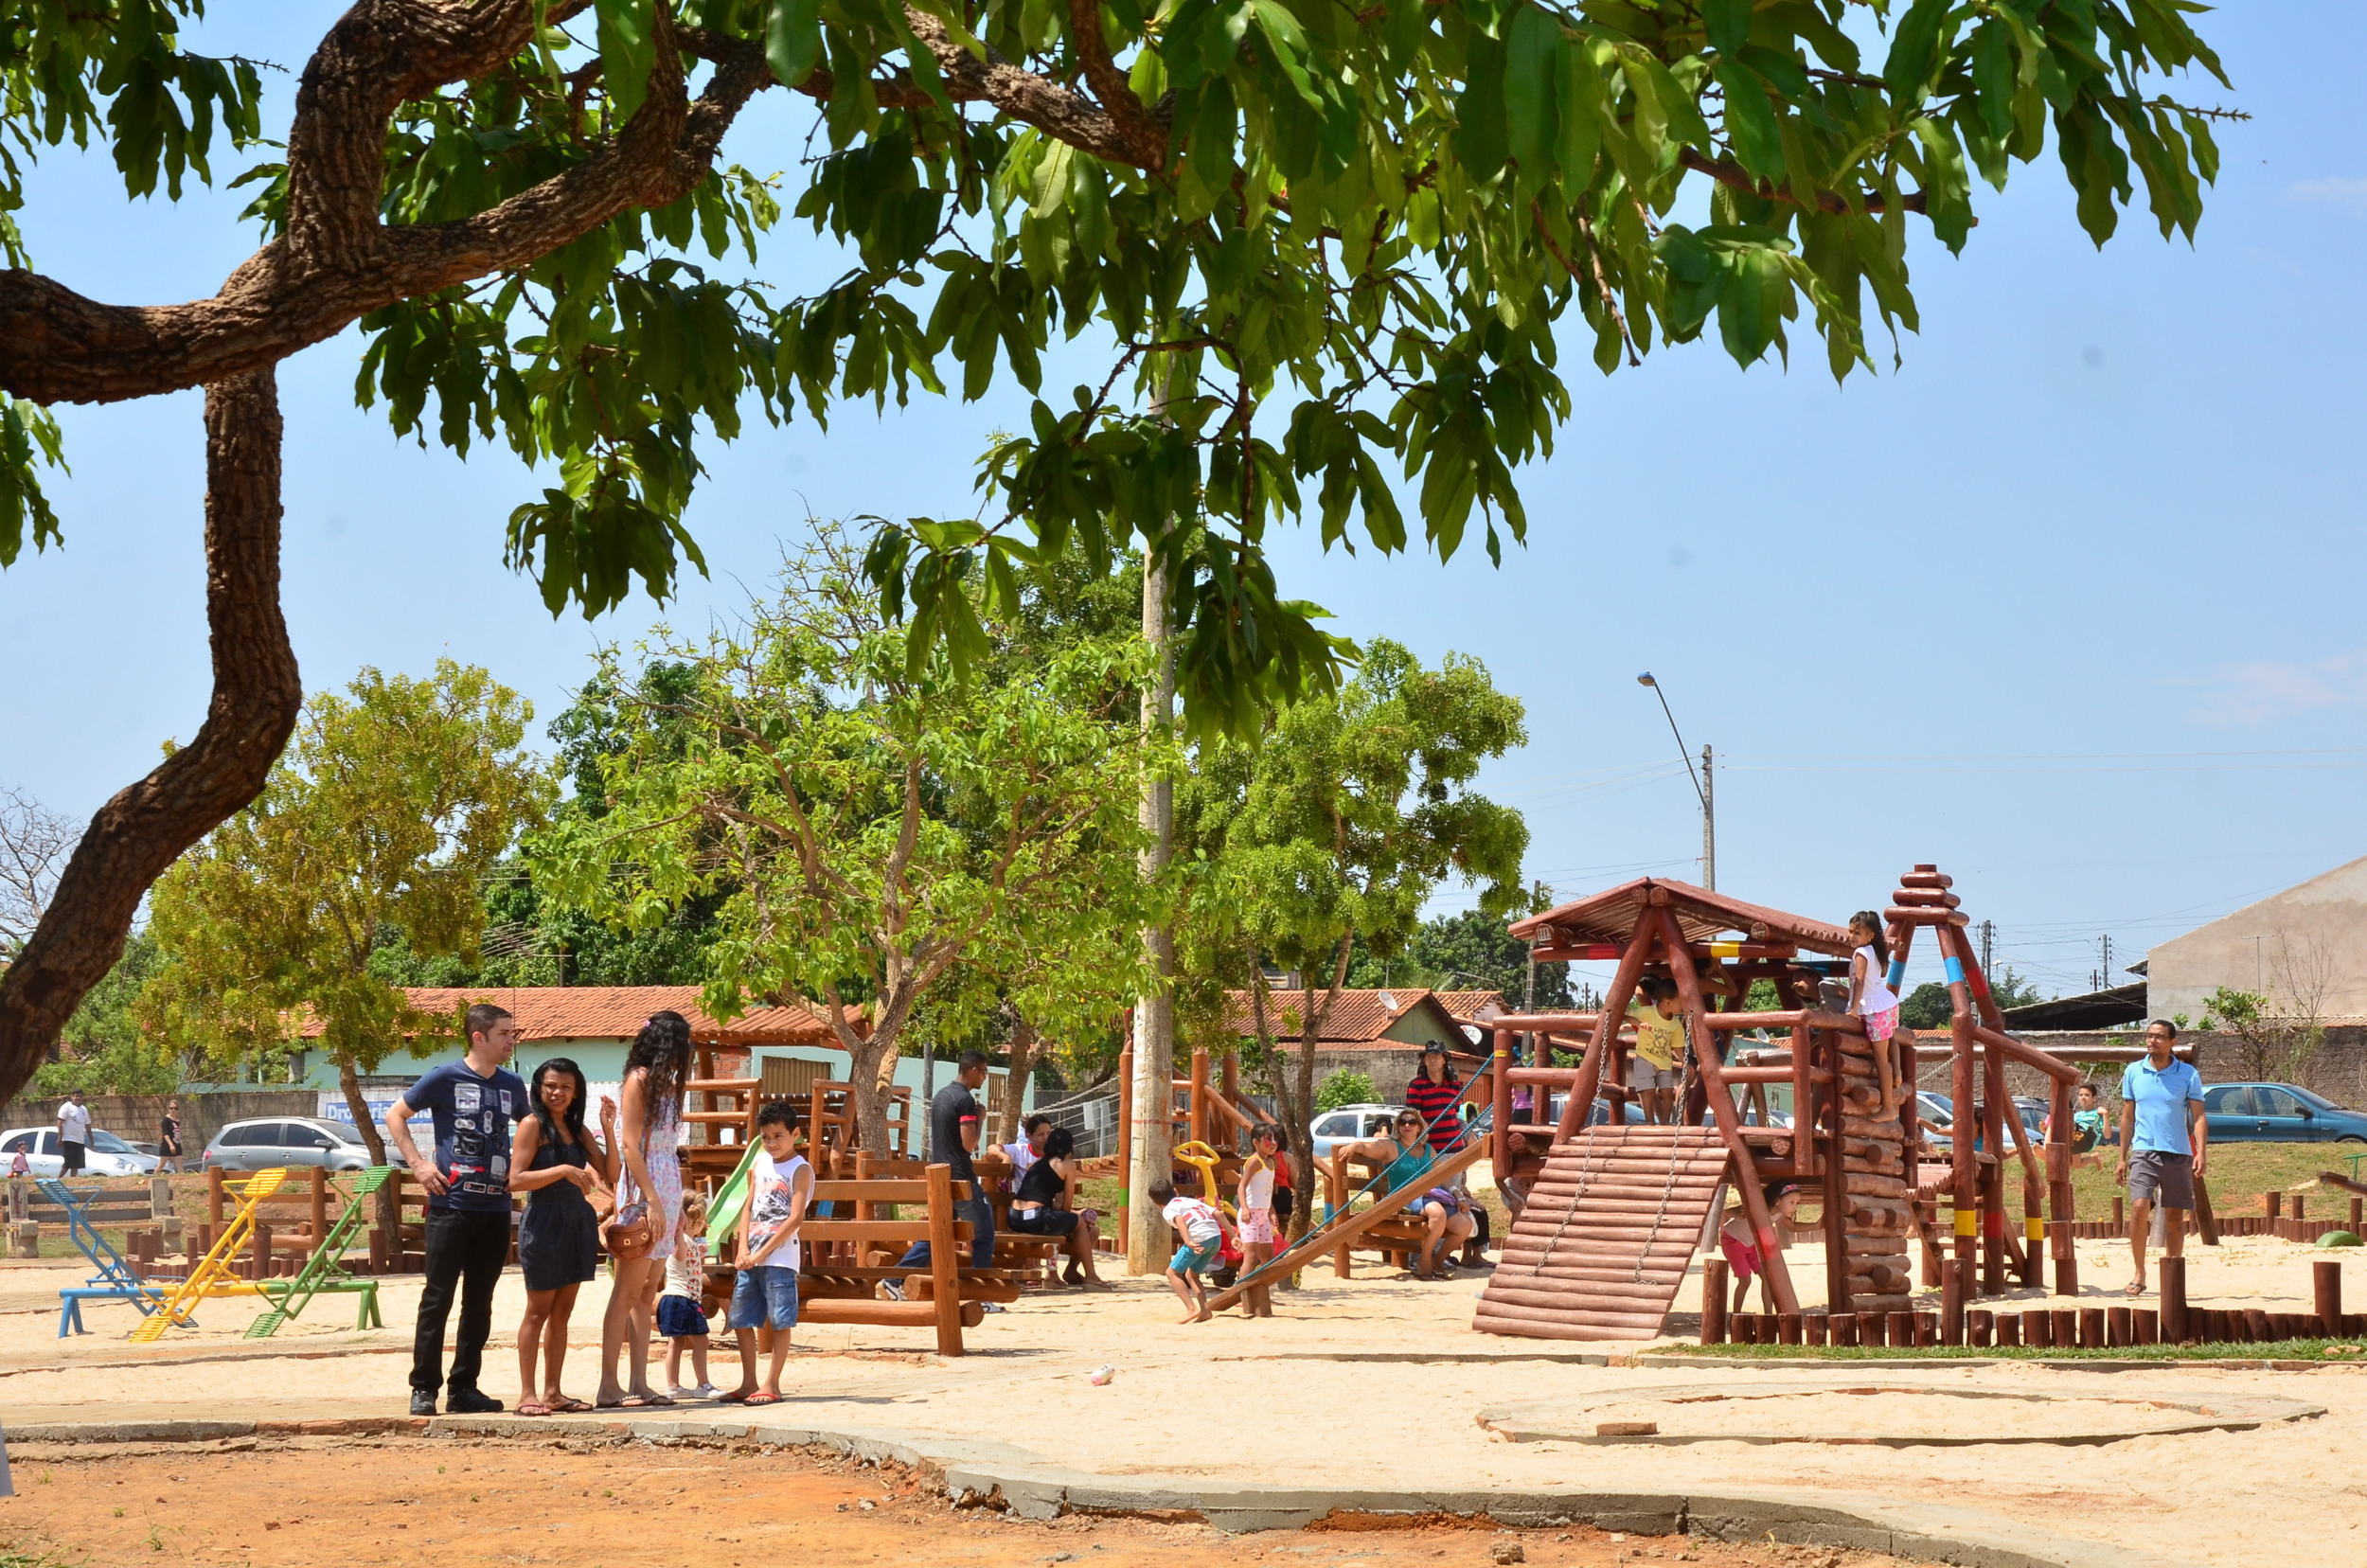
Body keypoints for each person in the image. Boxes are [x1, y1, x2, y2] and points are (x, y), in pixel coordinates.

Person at [385, 1003, 527, 1416]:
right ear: (478, 1037)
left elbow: (531, 1127)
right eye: (504, 1033)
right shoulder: (444, 1077)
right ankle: (423, 1388)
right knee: (437, 1298)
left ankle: (464, 1387)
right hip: (451, 1206)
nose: (511, 1041)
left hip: (495, 1209)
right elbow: (397, 1115)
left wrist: (520, 1169)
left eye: (512, 1033)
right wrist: (419, 1165)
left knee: (479, 1302)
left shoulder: (513, 1084)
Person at [509, 1057, 616, 1417]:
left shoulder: (578, 1129)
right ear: (539, 1088)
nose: (557, 1092)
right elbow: (515, 1180)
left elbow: (611, 1173)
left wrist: (608, 1128)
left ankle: (553, 1393)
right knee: (537, 1311)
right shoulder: (531, 1125)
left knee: (562, 1312)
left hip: (576, 1223)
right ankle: (528, 1394)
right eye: (551, 1085)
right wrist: (563, 1170)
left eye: (566, 1087)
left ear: (576, 1093)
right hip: (543, 1222)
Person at [597, 1010, 693, 1408]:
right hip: (644, 1194)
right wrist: (653, 1201)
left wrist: (677, 1204)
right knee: (625, 1292)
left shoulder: (668, 1087)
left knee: (645, 1295)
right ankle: (608, 1384)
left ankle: (639, 1381)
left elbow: (669, 1152)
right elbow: (630, 1146)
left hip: (667, 1191)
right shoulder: (637, 1081)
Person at [880, 1050, 993, 1301]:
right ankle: (980, 1296)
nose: (985, 1078)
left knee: (938, 1233)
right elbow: (968, 1143)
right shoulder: (964, 1100)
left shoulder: (942, 1095)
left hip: (940, 1176)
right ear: (973, 1070)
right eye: (984, 1072)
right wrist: (980, 1119)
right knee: (984, 1234)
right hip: (961, 1177)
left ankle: (894, 1280)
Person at [726, 1100, 812, 1406]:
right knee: (740, 1318)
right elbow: (748, 1206)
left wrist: (762, 1252)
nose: (772, 1143)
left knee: (780, 1321)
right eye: (766, 1137)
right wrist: (743, 1247)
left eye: (778, 1135)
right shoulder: (760, 1163)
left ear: (795, 1134)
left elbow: (795, 1218)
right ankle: (748, 1381)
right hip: (750, 1258)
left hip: (780, 1258)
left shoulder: (800, 1169)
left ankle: (772, 1383)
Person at [2117, 1019, 2206, 1298]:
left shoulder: (2188, 1074)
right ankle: (2139, 1272)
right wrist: (2122, 1157)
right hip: (2143, 1150)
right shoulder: (2134, 1071)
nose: (2152, 1041)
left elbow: (2199, 1115)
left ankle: (2173, 1274)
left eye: (2159, 1037)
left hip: (2178, 1151)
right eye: (2149, 1036)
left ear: (2171, 1042)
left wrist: (2200, 1150)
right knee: (2139, 1206)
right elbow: (2127, 1116)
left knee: (2175, 1218)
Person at [1335, 1110, 1474, 1279]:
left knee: (1465, 1225)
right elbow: (1367, 1147)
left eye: (1412, 1122)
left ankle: (1438, 1259)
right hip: (1405, 1198)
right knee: (1438, 1213)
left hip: (1432, 1196)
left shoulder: (1428, 1149)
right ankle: (1424, 1261)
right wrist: (1353, 1146)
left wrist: (1458, 1195)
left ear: (1419, 1127)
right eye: (1403, 1122)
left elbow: (1443, 1177)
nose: (1407, 1125)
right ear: (1397, 1127)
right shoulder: (1391, 1146)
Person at [1008, 1126, 1105, 1289]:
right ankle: (1091, 1276)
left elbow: (1041, 1199)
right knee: (1079, 1223)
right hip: (1037, 1217)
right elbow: (1066, 1206)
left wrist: (1072, 1213)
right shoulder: (1067, 1164)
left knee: (1060, 1221)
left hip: (1015, 1217)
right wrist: (1076, 1214)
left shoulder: (1038, 1163)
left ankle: (1053, 1275)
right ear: (1070, 1146)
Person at [660, 1191, 721, 1400]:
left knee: (676, 1342)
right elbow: (679, 1255)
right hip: (682, 1298)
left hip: (680, 1298)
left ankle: (673, 1385)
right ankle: (702, 1384)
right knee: (700, 1341)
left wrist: (698, 1253)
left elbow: (685, 1263)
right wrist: (679, 1235)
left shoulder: (688, 1241)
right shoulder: (680, 1239)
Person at [1844, 911, 1904, 1110]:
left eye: (1857, 933)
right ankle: (1897, 1072)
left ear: (1870, 935)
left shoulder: (1861, 953)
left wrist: (1853, 1010)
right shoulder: (1875, 951)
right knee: (1891, 1038)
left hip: (1873, 1008)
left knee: (1880, 1059)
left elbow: (1860, 980)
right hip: (1886, 1003)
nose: (1852, 936)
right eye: (1851, 931)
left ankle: (1887, 1108)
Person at [1155, 1174, 1229, 1323]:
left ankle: (1191, 1309)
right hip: (1216, 1238)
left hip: (1199, 1238)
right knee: (1192, 1275)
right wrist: (1233, 1236)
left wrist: (1187, 1241)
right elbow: (1218, 1213)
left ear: (1158, 1205)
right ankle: (1205, 1310)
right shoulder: (1190, 1201)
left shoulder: (1168, 1209)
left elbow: (1179, 1219)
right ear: (1175, 1192)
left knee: (1172, 1273)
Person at [1231, 1124, 1283, 1317]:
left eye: (1275, 1139)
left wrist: (1272, 1212)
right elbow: (1241, 1186)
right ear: (1256, 1142)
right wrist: (1244, 1208)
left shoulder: (1271, 1162)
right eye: (1268, 1139)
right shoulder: (1254, 1162)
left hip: (1263, 1214)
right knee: (1251, 1256)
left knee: (1268, 1256)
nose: (1273, 1143)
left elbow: (1267, 1191)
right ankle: (1241, 1292)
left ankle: (1262, 1291)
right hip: (1250, 1214)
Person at [1626, 980, 1687, 1126]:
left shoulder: (1676, 1025)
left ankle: (1665, 1121)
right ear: (1668, 1002)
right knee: (1647, 1091)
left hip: (1664, 1062)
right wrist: (1639, 1024)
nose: (1683, 1005)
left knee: (1667, 1092)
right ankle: (1649, 1120)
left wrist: (1685, 1063)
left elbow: (1678, 1046)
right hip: (1645, 1058)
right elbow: (1626, 1015)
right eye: (1680, 1001)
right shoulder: (1648, 1012)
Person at [1403, 1043, 1466, 1151]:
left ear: (1444, 1060)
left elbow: (1455, 1115)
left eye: (1436, 1057)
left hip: (1456, 1148)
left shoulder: (1454, 1086)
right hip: (1430, 1150)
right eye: (1428, 1057)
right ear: (1424, 1061)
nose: (1432, 1060)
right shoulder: (1416, 1086)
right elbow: (1414, 1118)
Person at [1000, 1114, 1053, 1191]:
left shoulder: (1055, 1153)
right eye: (1041, 1134)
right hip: (1022, 1200)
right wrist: (1005, 1157)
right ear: (1029, 1135)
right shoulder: (1020, 1150)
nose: (1046, 1138)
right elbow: (992, 1148)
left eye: (1048, 1133)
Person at [2070, 1083, 2109, 1169]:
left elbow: (2107, 1135)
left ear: (2094, 1098)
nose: (2083, 1097)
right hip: (2075, 1138)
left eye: (2087, 1095)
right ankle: (2094, 1157)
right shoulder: (2076, 1115)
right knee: (2075, 1165)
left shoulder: (2097, 1113)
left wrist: (2105, 1114)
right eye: (2081, 1095)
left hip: (2088, 1137)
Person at [57, 1091, 90, 1177]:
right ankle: (58, 1180)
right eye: (76, 1096)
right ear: (72, 1097)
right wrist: (60, 1138)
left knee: (76, 1164)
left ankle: (72, 1181)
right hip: (69, 1139)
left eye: (80, 1096)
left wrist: (91, 1140)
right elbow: (60, 1122)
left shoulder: (83, 1109)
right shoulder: (66, 1107)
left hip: (79, 1140)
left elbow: (88, 1124)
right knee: (68, 1163)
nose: (78, 1098)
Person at [157, 1100, 185, 1174]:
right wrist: (171, 1145)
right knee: (162, 1164)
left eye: (175, 1108)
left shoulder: (177, 1120)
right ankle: (154, 1177)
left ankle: (182, 1180)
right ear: (168, 1109)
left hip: (177, 1143)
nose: (173, 1110)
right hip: (167, 1144)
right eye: (171, 1108)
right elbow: (165, 1133)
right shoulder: (166, 1120)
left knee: (180, 1164)